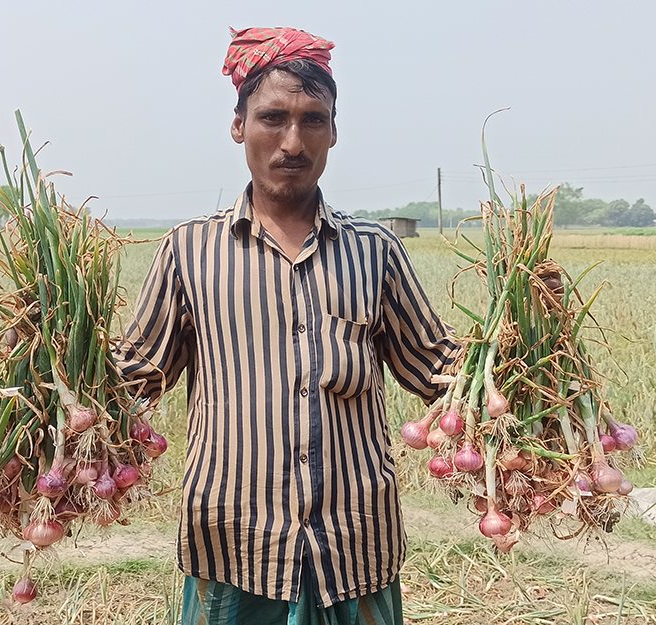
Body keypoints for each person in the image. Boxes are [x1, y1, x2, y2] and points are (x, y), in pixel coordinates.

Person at [116, 27, 459, 625]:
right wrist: (47, 354)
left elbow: (439, 372)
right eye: (272, 118)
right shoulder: (189, 250)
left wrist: (527, 338)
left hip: (354, 546)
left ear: (334, 131)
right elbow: (137, 375)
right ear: (238, 125)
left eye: (313, 120)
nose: (292, 142)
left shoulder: (375, 252)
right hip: (233, 542)